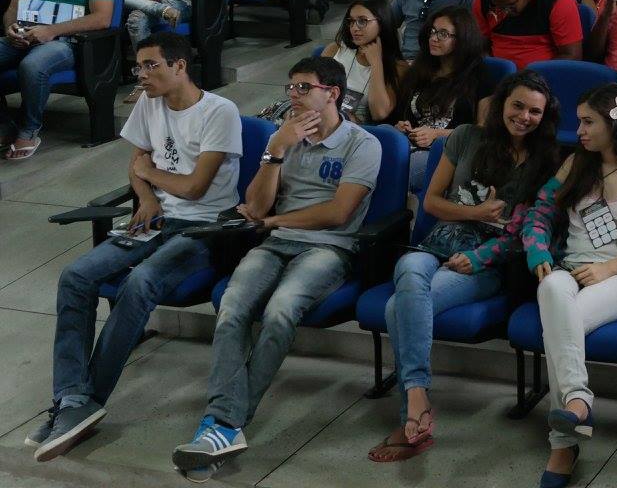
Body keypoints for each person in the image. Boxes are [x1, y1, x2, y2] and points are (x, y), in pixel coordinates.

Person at [30, 32, 241, 462]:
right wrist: (145, 196)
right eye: (138, 66)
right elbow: (137, 164)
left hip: (205, 229)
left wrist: (150, 174)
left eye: (151, 65)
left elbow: (196, 188)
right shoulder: (149, 101)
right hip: (156, 219)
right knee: (76, 276)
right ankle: (72, 399)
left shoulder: (220, 111)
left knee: (140, 282)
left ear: (179, 66)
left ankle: (88, 400)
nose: (141, 75)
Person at [171, 56, 381, 476]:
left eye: (304, 87)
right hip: (276, 242)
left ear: (332, 93)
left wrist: (274, 221)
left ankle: (223, 423)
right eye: (291, 87)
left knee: (281, 310)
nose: (294, 95)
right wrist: (275, 152)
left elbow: (338, 213)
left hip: (329, 248)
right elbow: (255, 206)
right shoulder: (284, 137)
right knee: (231, 308)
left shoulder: (363, 144)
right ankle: (225, 426)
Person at [367, 70, 561, 462]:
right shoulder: (466, 137)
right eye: (518, 106)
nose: (524, 117)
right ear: (502, 103)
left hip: (486, 262)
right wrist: (475, 212)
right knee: (409, 268)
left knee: (395, 307)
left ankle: (413, 413)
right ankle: (418, 399)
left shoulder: (548, 161)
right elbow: (432, 202)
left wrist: (482, 249)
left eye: (535, 111)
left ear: (545, 117)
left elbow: (532, 230)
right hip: (439, 241)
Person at [518, 84, 617, 485]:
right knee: (552, 289)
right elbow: (539, 213)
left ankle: (563, 445)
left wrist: (608, 269)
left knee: (561, 326)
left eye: (588, 122)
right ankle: (578, 400)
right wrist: (538, 252)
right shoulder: (574, 165)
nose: (579, 130)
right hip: (571, 268)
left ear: (615, 124)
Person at [0, 0, 115, 159]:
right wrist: (10, 27)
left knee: (33, 65)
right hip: (26, 34)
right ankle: (5, 125)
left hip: (68, 42)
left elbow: (102, 18)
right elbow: (13, 9)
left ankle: (29, 129)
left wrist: (52, 31)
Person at [392, 5, 487, 193]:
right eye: (433, 31)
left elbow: (482, 130)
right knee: (384, 135)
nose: (434, 38)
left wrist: (437, 134)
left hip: (448, 153)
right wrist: (402, 126)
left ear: (462, 39)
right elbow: (405, 113)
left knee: (393, 168)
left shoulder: (479, 74)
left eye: (443, 34)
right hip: (411, 145)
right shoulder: (422, 68)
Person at [474, 0, 583, 68]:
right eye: (498, 7)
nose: (505, 11)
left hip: (542, 74)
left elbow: (572, 56)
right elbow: (480, 44)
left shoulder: (557, 2)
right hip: (497, 71)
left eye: (510, 5)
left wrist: (528, 75)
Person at [320, 0, 401, 125]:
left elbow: (379, 113)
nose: (354, 28)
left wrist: (376, 63)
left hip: (358, 129)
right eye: (351, 21)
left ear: (382, 22)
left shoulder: (398, 67)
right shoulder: (335, 49)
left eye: (362, 21)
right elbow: (312, 88)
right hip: (323, 115)